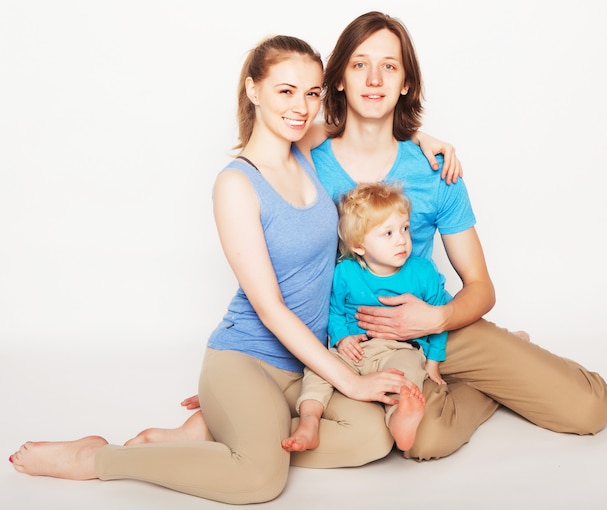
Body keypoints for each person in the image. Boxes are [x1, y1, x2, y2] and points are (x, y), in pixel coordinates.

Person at [178, 10, 607, 461]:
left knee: (589, 410)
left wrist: (435, 320)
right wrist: (242, 395)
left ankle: (501, 360)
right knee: (423, 441)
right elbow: (282, 127)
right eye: (359, 64)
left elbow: (482, 288)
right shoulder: (306, 159)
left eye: (389, 66)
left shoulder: (435, 172)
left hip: (438, 328)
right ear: (340, 80)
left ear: (405, 83)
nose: (373, 79)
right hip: (358, 345)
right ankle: (481, 391)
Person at [9, 35, 428, 504]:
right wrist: (350, 380)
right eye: (285, 91)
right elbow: (269, 309)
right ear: (253, 90)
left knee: (372, 439)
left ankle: (210, 431)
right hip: (248, 357)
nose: (302, 107)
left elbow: (365, 123)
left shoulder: (306, 146)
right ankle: (96, 458)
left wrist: (425, 138)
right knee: (260, 479)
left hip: (310, 363)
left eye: (312, 93)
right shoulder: (236, 185)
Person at [282, 181, 449, 454]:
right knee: (318, 369)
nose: (402, 240)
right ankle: (309, 420)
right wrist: (342, 337)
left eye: (405, 228)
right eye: (388, 233)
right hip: (353, 351)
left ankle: (400, 418)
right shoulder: (346, 272)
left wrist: (433, 363)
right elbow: (335, 310)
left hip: (397, 349)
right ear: (359, 245)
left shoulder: (423, 272)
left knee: (405, 373)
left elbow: (438, 320)